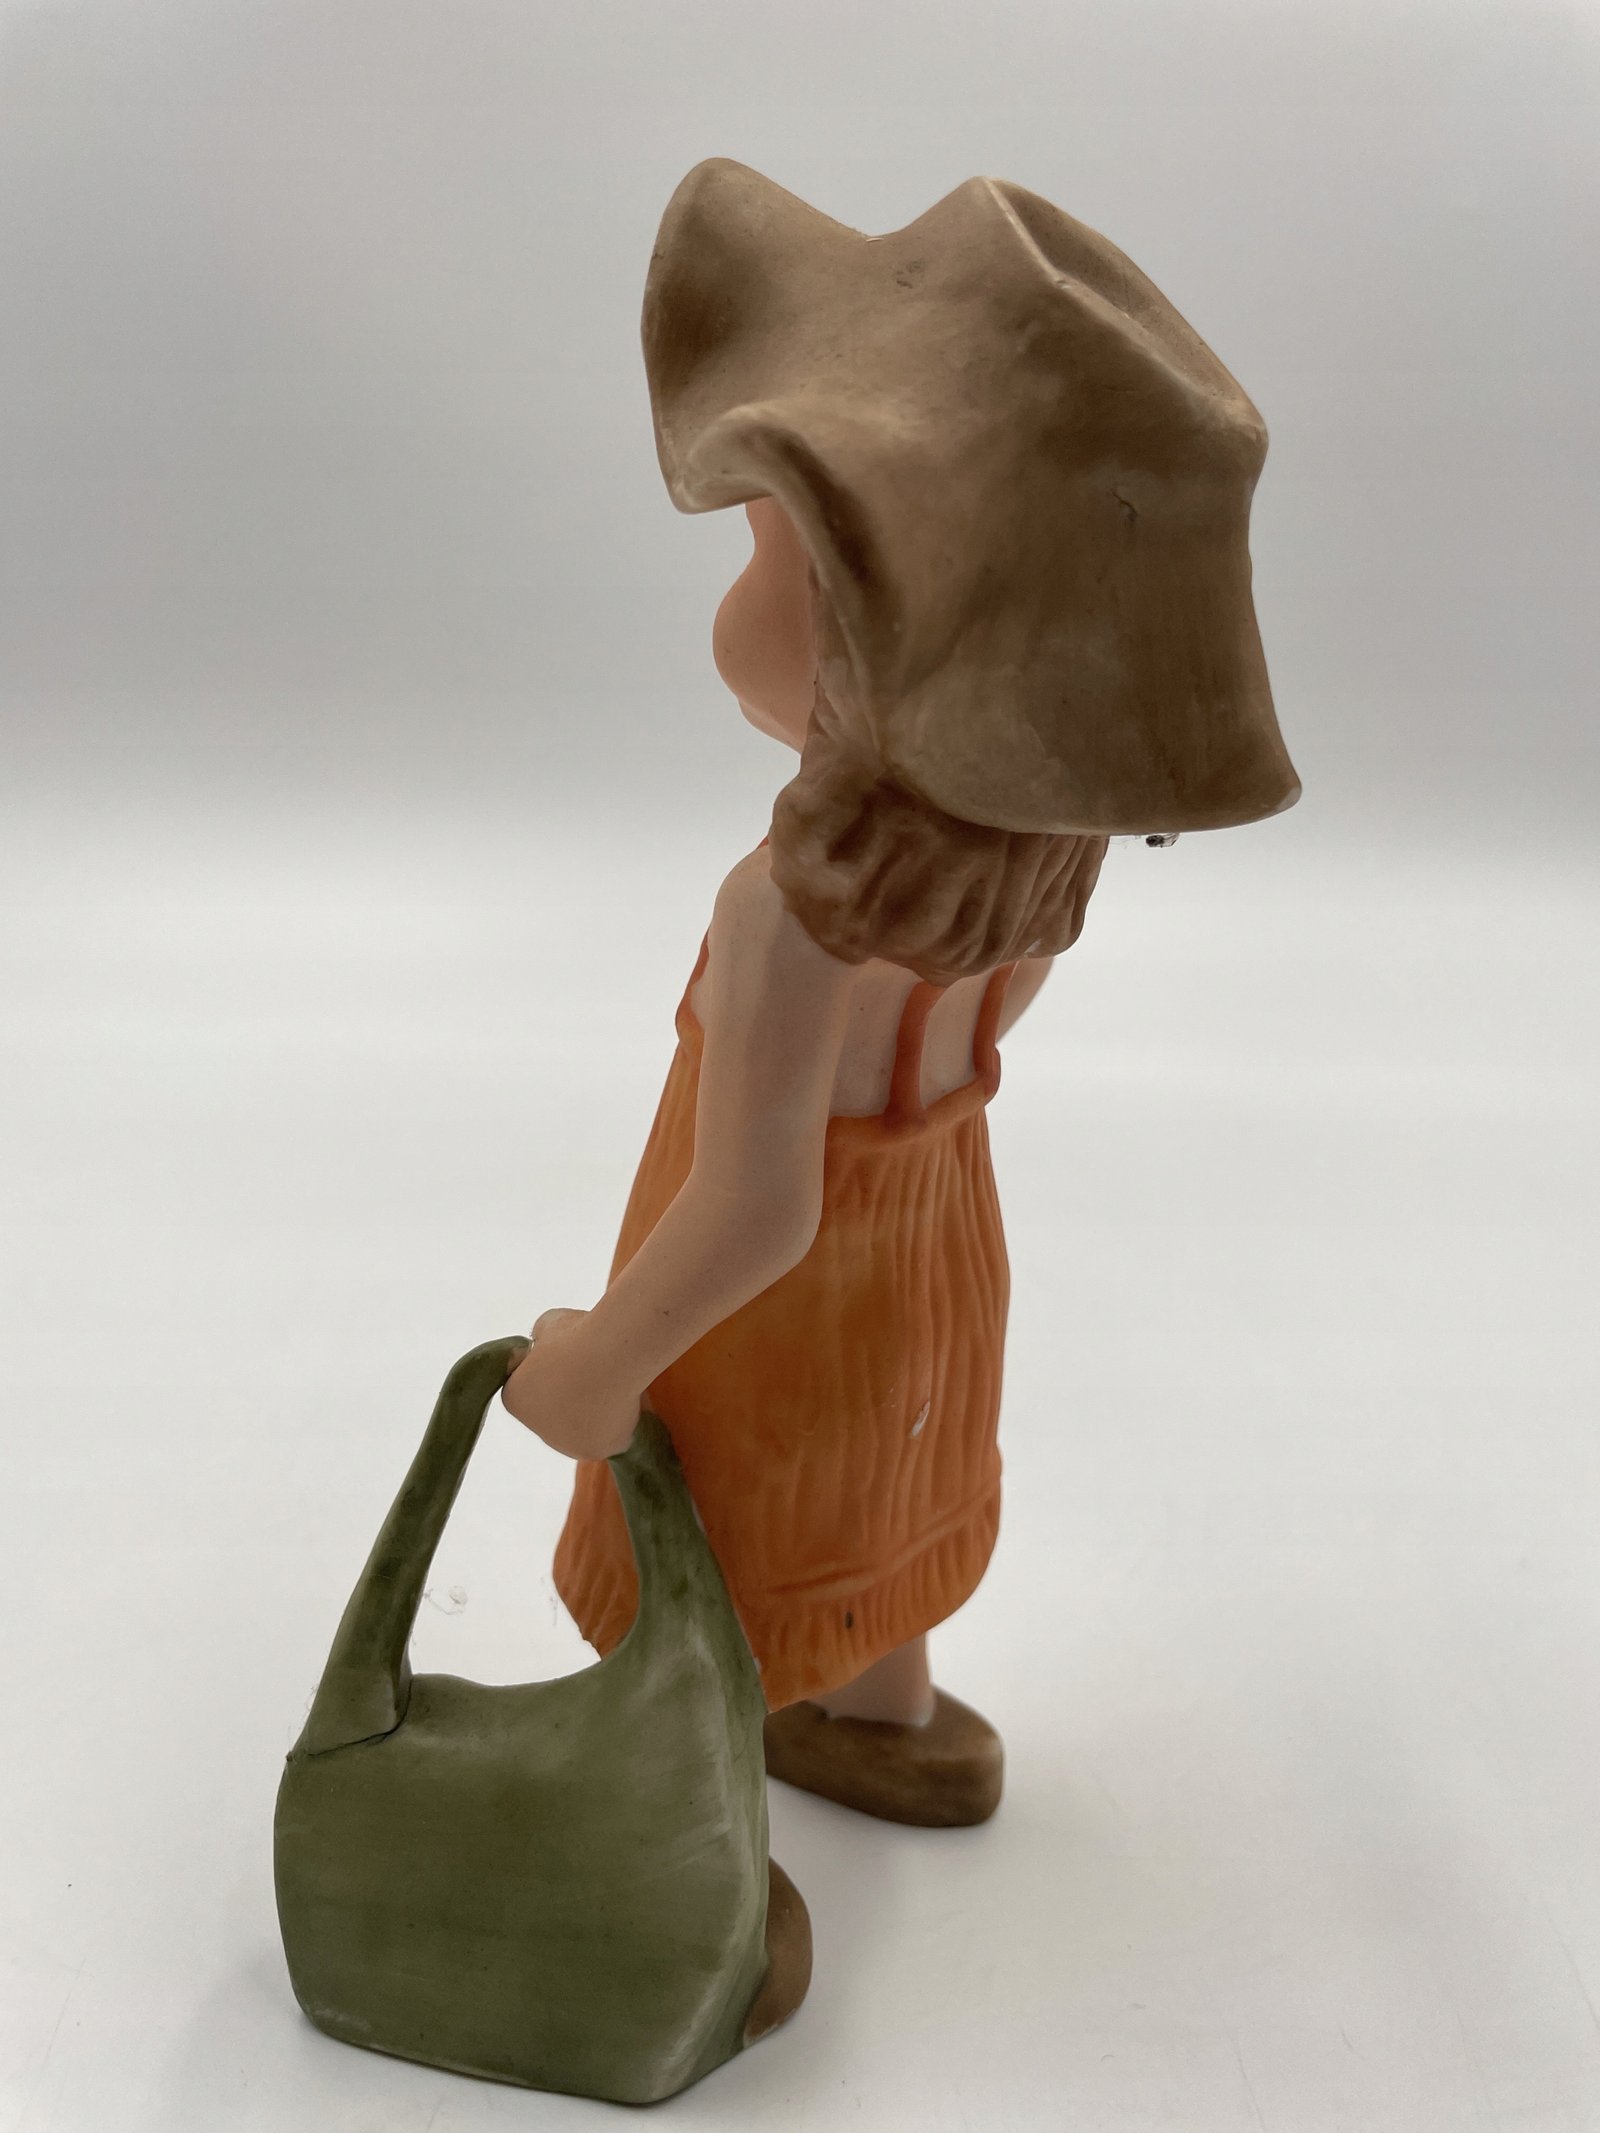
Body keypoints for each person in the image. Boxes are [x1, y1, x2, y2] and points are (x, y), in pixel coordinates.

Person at [503, 158, 1298, 1829]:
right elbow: (980, 1040)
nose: (735, 602)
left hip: (771, 1318)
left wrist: (603, 1361)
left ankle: (693, 1811)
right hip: (937, 1244)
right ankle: (885, 1705)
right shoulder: (1021, 877)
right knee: (885, 1473)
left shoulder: (789, 918)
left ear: (881, 648)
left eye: (767, 556)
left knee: (740, 1509)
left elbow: (756, 1206)